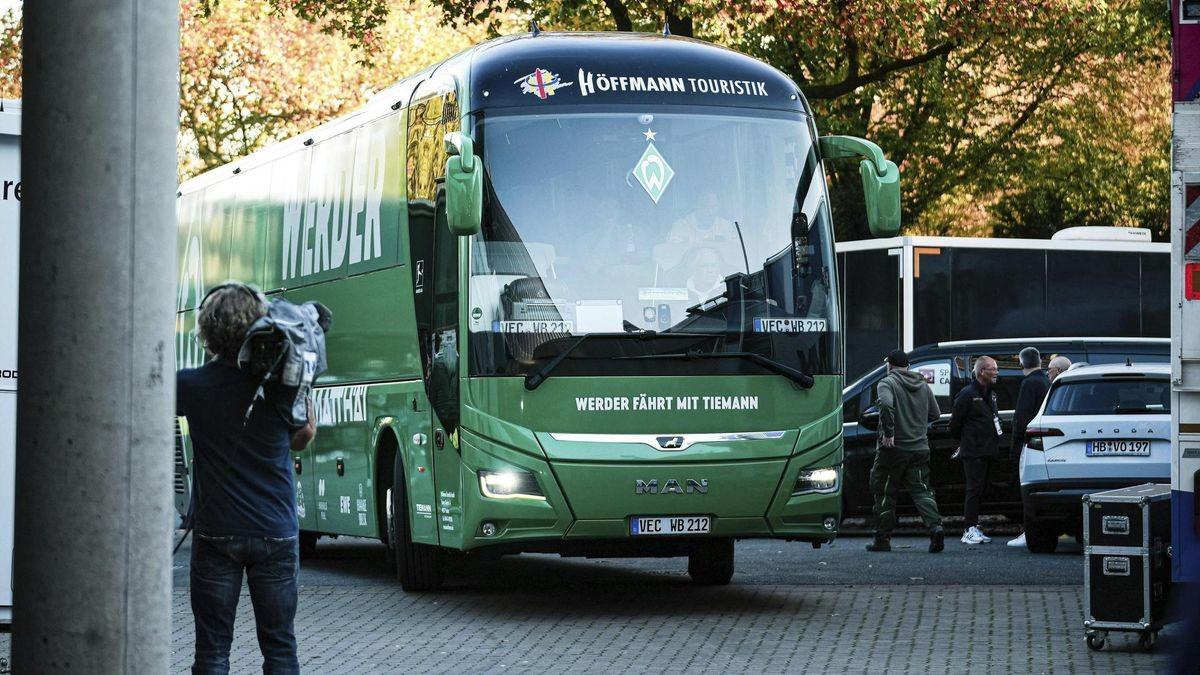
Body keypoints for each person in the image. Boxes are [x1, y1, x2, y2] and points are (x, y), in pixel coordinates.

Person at [177, 282, 316, 674]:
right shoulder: (279, 385)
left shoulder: (190, 385)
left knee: (212, 650)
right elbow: (302, 439)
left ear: (208, 330)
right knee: (280, 647)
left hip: (216, 530)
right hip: (275, 530)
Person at [865, 350, 946, 553]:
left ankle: (882, 539)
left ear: (889, 365)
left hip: (893, 450)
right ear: (908, 366)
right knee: (922, 490)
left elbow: (885, 404)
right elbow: (935, 413)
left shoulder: (887, 383)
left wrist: (889, 432)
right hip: (920, 448)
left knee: (884, 492)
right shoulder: (923, 384)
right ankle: (936, 527)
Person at [950, 355, 1001, 545]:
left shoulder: (991, 393)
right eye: (993, 369)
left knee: (980, 490)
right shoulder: (967, 394)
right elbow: (955, 424)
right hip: (973, 451)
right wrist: (968, 441)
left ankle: (974, 526)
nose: (997, 372)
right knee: (973, 489)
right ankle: (968, 529)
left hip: (988, 450)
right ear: (982, 371)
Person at [1007, 347, 1052, 548]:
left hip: (1027, 442)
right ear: (1040, 361)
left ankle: (1028, 531)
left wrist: (1015, 441)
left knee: (1024, 488)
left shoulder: (1028, 383)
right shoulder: (1045, 381)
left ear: (1021, 364)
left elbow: (1022, 417)